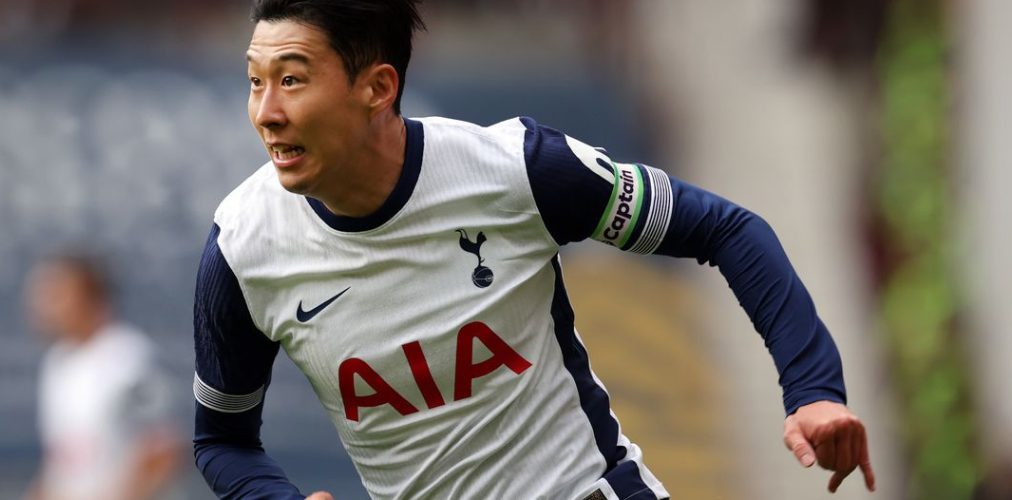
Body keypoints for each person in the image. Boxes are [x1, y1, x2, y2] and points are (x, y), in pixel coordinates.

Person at [192, 1, 876, 498]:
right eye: (255, 81)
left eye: (291, 78)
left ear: (377, 88)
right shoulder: (244, 247)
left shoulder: (516, 171)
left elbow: (726, 229)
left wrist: (813, 389)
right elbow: (222, 440)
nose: (265, 111)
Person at [25, 253, 184, 500]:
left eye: (59, 294)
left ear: (92, 299)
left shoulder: (129, 358)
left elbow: (163, 450)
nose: (46, 306)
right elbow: (61, 465)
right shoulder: (56, 363)